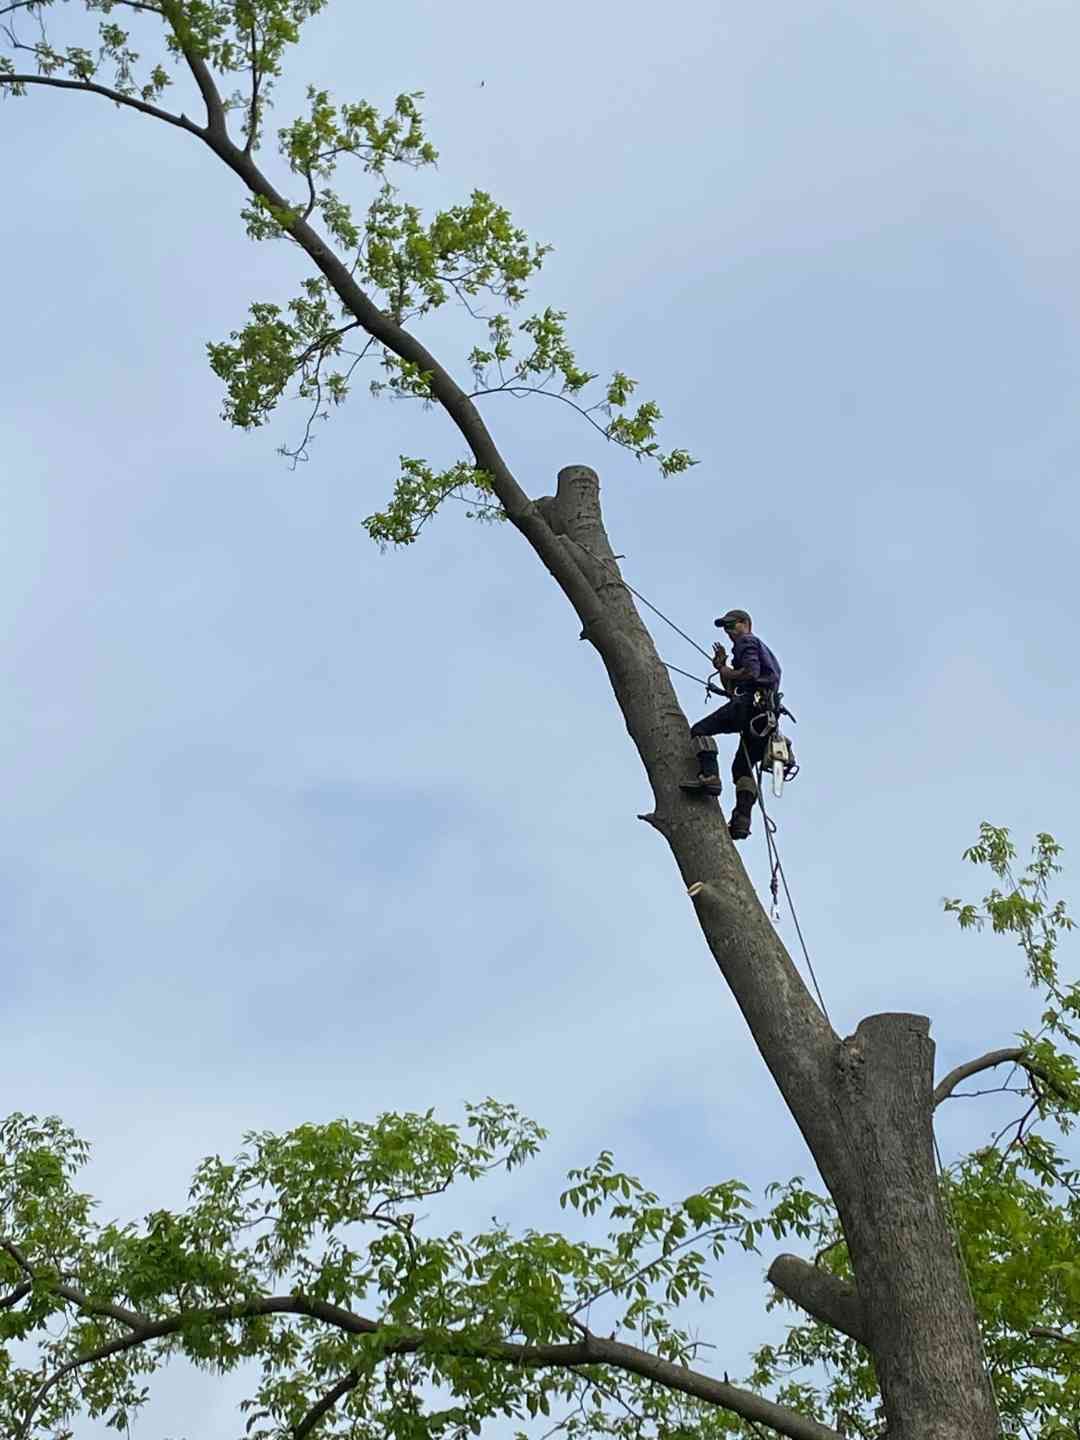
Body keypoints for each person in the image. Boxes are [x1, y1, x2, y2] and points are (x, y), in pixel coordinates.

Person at [681, 608, 781, 840]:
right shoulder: (762, 651)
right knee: (742, 769)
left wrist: (726, 669)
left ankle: (710, 776)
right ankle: (741, 821)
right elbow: (734, 689)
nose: (728, 631)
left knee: (700, 730)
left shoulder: (747, 641)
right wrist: (722, 668)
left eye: (731, 625)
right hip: (765, 718)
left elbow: (751, 673)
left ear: (746, 623)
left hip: (749, 706)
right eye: (725, 627)